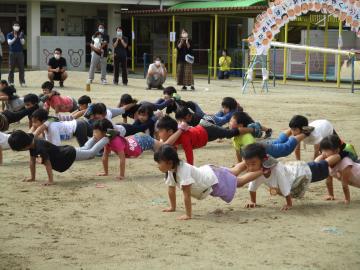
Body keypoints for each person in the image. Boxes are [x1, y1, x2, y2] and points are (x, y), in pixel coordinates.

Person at [153, 144, 263, 220]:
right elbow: (171, 189)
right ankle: (253, 159)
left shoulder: (183, 170)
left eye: (159, 163)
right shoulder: (171, 169)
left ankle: (263, 170)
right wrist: (172, 207)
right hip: (210, 172)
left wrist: (188, 215)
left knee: (239, 182)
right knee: (234, 171)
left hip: (213, 180)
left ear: (169, 162)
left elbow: (186, 194)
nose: (158, 166)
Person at [237, 143, 341, 211]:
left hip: (302, 173)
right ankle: (324, 155)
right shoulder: (258, 170)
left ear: (263, 160)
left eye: (253, 164)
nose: (250, 168)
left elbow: (284, 184)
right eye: (247, 164)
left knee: (323, 167)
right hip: (294, 170)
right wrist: (253, 201)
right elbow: (252, 187)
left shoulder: (276, 169)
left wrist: (289, 204)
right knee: (317, 164)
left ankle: (340, 155)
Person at [8, 129, 112, 186]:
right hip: (64, 150)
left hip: (67, 155)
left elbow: (47, 164)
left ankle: (108, 136)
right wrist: (33, 177)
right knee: (85, 148)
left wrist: (50, 181)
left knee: (91, 154)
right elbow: (32, 161)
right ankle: (95, 138)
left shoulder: (39, 148)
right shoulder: (32, 142)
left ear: (24, 146)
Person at [95, 119, 184, 180]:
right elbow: (104, 156)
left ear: (104, 133)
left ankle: (180, 130)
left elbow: (122, 159)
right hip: (136, 138)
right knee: (164, 148)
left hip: (142, 141)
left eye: (96, 132)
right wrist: (105, 172)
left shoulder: (115, 141)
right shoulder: (107, 140)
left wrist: (121, 175)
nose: (94, 134)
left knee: (165, 147)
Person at [156, 115, 252, 165]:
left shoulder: (184, 136)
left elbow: (189, 153)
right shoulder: (174, 136)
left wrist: (191, 169)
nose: (158, 134)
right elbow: (171, 149)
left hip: (207, 130)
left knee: (229, 133)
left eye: (160, 131)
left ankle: (253, 129)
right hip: (204, 133)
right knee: (225, 132)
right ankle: (229, 129)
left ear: (170, 132)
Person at [317, 135, 360, 204]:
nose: (323, 153)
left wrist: (347, 199)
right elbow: (328, 180)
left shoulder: (345, 163)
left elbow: (344, 184)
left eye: (326, 150)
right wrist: (331, 195)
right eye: (322, 150)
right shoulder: (327, 162)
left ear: (337, 150)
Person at [7, 21, 26, 87]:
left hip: (20, 53)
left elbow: (23, 43)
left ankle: (22, 82)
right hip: (12, 53)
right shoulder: (9, 34)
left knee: (21, 68)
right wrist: (15, 37)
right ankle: (11, 82)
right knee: (11, 68)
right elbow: (9, 43)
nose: (17, 26)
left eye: (18, 25)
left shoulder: (21, 34)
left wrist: (20, 38)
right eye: (15, 25)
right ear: (13, 26)